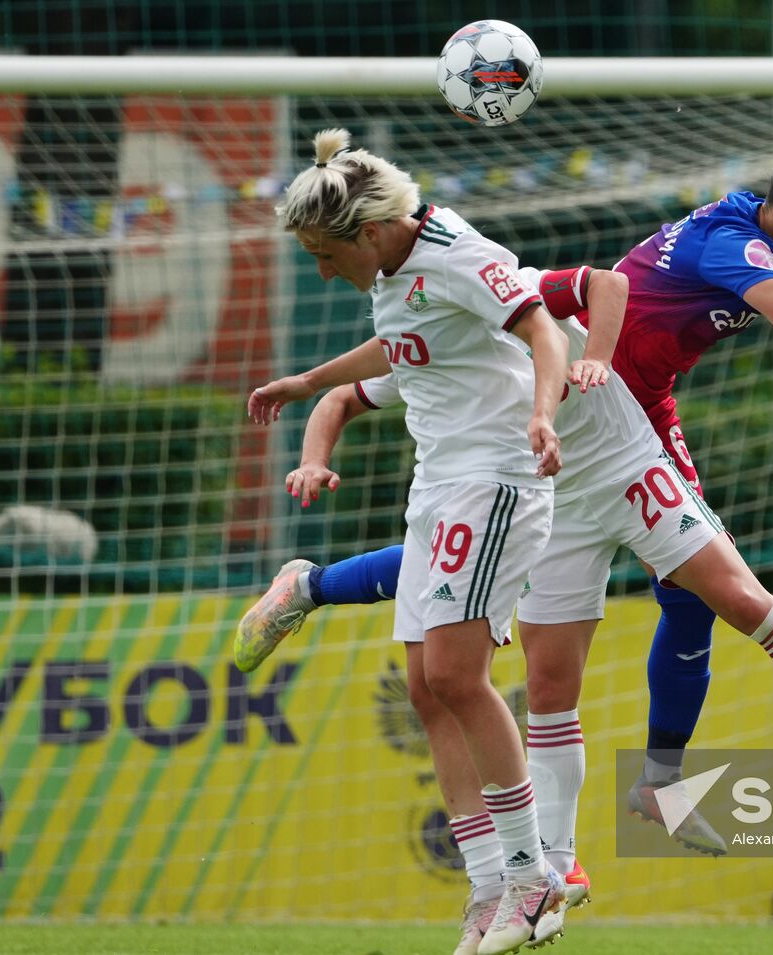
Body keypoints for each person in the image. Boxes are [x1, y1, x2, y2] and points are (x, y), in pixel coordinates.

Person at [247, 121, 773, 852]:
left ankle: (698, 773)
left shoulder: (750, 225)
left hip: (630, 427)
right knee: (526, 644)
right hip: (563, 449)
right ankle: (559, 861)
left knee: (708, 594)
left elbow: (617, 282)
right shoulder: (466, 323)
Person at [260, 261, 773, 952]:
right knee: (549, 687)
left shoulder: (515, 294)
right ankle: (555, 868)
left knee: (731, 595)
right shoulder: (438, 343)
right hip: (554, 503)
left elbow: (608, 284)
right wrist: (314, 449)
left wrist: (597, 362)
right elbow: (345, 396)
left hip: (627, 464)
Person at [245, 126, 573, 955]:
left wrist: (541, 409)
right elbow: (396, 349)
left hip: (496, 480)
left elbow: (543, 330)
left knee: (459, 677)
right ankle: (489, 885)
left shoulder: (457, 249)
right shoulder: (394, 274)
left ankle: (536, 878)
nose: (323, 270)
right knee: (426, 689)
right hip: (437, 489)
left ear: (369, 232)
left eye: (325, 254)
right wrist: (312, 383)